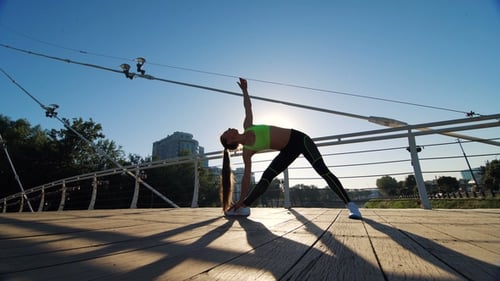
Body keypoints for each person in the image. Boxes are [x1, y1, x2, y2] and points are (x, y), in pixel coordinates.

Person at [220, 78, 362, 219]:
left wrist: (245, 90)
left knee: (323, 171)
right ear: (230, 140)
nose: (229, 129)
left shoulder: (248, 126)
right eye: (227, 132)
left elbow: (248, 107)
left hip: (300, 139)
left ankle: (351, 205)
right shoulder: (247, 151)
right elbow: (246, 178)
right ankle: (243, 206)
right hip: (288, 150)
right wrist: (240, 199)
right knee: (266, 177)